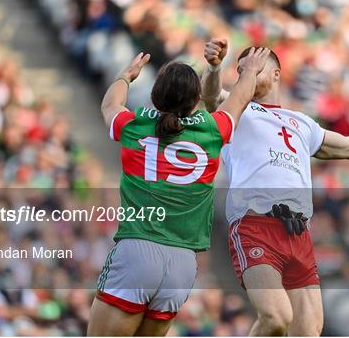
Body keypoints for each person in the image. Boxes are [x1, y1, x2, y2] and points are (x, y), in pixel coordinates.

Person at [201, 38, 349, 336]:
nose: (247, 74)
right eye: (242, 69)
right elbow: (210, 96)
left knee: (309, 330)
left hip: (298, 231)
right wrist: (214, 66)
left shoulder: (302, 123)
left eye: (256, 68)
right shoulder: (238, 110)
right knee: (276, 317)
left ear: (275, 75)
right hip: (254, 224)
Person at [87, 47, 271, 336]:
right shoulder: (213, 129)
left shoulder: (136, 125)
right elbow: (239, 98)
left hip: (137, 249)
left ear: (155, 95)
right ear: (197, 98)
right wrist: (250, 70)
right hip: (183, 264)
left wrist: (125, 76)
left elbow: (109, 105)